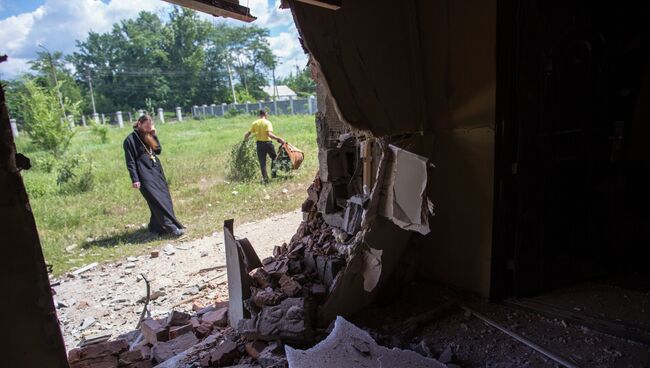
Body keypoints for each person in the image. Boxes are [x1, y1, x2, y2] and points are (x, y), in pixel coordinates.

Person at [124, 115, 184, 236]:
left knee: (164, 198)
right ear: (139, 124)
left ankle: (155, 227)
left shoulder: (149, 135)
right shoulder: (129, 140)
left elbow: (158, 151)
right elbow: (130, 162)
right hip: (143, 174)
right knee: (156, 200)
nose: (147, 129)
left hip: (156, 171)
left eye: (149, 127)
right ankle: (172, 228)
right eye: (145, 127)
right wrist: (135, 179)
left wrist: (154, 134)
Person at [244, 110, 285, 182]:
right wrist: (278, 138)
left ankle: (265, 179)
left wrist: (245, 141)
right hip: (268, 144)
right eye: (267, 114)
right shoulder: (267, 122)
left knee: (262, 162)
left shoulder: (255, 123)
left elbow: (249, 133)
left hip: (259, 145)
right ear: (265, 114)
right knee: (274, 158)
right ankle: (274, 174)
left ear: (260, 114)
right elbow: (269, 134)